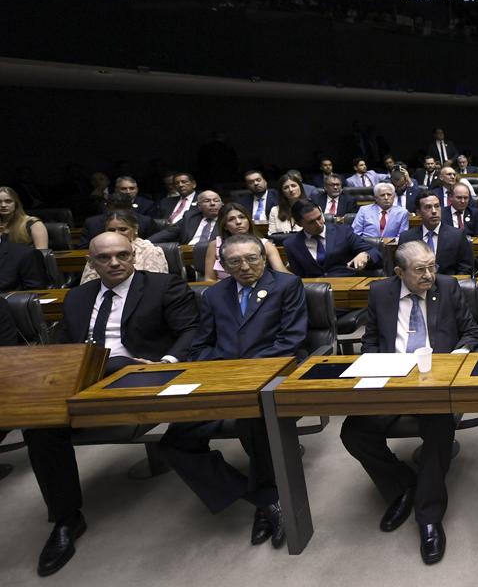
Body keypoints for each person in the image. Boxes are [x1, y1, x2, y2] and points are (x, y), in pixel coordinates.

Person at [22, 232, 198, 576]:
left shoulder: (164, 286)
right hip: (88, 379)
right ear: (91, 262)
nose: (115, 262)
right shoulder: (77, 297)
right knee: (40, 423)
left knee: (119, 364)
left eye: (122, 255)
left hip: (145, 374)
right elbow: (67, 349)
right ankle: (65, 519)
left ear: (133, 256)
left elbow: (190, 330)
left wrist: (166, 362)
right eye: (104, 257)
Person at [159, 234, 308, 550]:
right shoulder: (214, 295)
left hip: (269, 377)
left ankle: (266, 499)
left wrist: (244, 370)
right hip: (222, 382)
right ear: (222, 265)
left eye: (252, 258)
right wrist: (226, 372)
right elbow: (200, 346)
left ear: (264, 258)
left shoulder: (286, 286)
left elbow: (290, 341)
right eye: (235, 261)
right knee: (175, 442)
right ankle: (262, 499)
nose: (245, 266)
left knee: (255, 421)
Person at [342, 241, 478, 564]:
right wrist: (375, 368)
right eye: (420, 270)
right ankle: (402, 486)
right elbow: (371, 341)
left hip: (437, 382)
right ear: (398, 272)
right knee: (353, 432)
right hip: (393, 380)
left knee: (438, 431)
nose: (430, 275)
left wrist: (455, 361)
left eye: (432, 266)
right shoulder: (380, 293)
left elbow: (472, 333)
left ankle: (429, 516)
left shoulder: (447, 287)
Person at [283, 199, 378, 278]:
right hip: (314, 291)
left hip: (345, 286)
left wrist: (366, 255)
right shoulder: (291, 244)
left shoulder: (343, 232)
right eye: (311, 222)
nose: (318, 224)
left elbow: (375, 253)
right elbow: (298, 276)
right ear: (299, 224)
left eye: (319, 217)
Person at [205, 203, 290, 281]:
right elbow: (209, 279)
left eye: (242, 217)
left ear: (249, 220)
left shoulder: (266, 244)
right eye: (231, 219)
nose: (238, 222)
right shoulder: (214, 245)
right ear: (225, 226)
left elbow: (281, 272)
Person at [397, 190, 473, 275]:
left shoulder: (457, 235)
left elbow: (465, 268)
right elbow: (402, 269)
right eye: (428, 207)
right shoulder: (407, 238)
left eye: (437, 206)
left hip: (448, 285)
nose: (434, 211)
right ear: (418, 213)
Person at [79, 211, 166, 283]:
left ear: (135, 229)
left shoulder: (150, 250)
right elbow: (87, 283)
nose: (116, 233)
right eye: (111, 230)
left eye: (123, 229)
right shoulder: (99, 251)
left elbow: (155, 284)